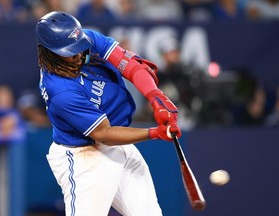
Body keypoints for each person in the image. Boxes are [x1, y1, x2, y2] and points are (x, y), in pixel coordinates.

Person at [35, 11, 181, 216]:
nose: (77, 54)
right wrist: (155, 133)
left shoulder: (85, 39)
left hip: (118, 144)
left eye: (78, 46)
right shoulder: (61, 90)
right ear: (49, 52)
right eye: (69, 52)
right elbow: (104, 133)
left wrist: (155, 96)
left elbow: (131, 65)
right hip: (84, 156)